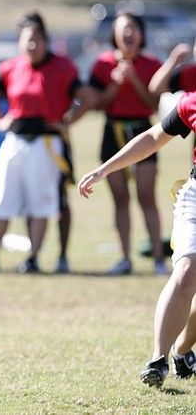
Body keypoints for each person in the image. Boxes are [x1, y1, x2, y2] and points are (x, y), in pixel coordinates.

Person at [78, 91, 196, 388]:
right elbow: (154, 137)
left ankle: (181, 350)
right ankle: (158, 360)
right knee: (186, 273)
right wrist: (105, 168)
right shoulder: (191, 102)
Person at [0, 12, 93, 274]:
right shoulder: (11, 67)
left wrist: (67, 122)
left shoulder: (62, 66)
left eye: (37, 40)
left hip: (46, 141)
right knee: (4, 197)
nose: (32, 45)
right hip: (15, 138)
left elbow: (86, 96)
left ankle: (34, 257)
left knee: (41, 201)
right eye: (27, 40)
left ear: (45, 40)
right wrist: (0, 120)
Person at [86, 10, 168, 275]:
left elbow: (155, 105)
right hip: (113, 132)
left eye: (133, 28)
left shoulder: (152, 64)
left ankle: (158, 258)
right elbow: (96, 104)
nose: (128, 33)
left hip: (144, 131)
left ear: (141, 34)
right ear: (114, 35)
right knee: (120, 199)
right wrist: (115, 86)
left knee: (147, 197)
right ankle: (124, 258)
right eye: (123, 29)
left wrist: (134, 80)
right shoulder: (102, 64)